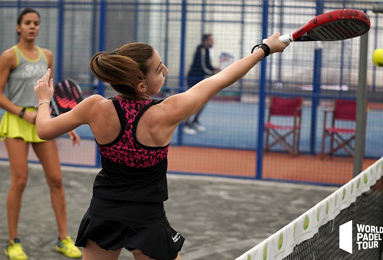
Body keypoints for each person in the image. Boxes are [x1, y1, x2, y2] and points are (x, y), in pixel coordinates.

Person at [34, 33, 288, 260]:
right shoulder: (167, 113)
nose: (165, 69)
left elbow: (44, 130)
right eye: (159, 68)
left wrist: (44, 100)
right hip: (147, 217)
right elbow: (220, 79)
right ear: (141, 85)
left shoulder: (94, 107)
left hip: (104, 210)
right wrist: (264, 49)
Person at [0, 8, 82, 260]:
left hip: (42, 120)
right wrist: (22, 113)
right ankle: (13, 242)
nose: (32, 26)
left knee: (56, 179)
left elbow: (51, 95)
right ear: (19, 27)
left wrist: (66, 123)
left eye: (36, 23)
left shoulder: (47, 56)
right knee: (20, 181)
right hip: (17, 122)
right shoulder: (9, 56)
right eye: (27, 23)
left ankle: (64, 239)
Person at [184, 33, 221, 135]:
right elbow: (203, 67)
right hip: (193, 78)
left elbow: (208, 65)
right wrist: (213, 72)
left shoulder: (207, 50)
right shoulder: (201, 49)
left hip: (201, 79)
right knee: (192, 102)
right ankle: (185, 124)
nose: (212, 42)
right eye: (211, 40)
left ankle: (195, 121)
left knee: (203, 101)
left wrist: (215, 69)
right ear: (205, 40)